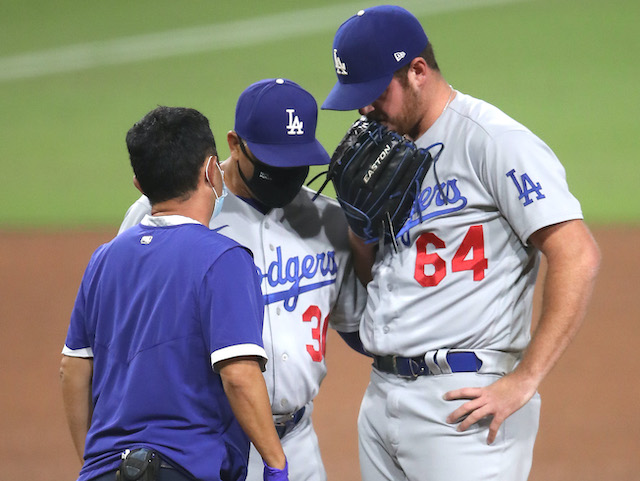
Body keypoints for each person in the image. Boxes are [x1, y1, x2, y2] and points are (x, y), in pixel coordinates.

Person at [322, 5, 601, 481]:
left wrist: (525, 380)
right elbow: (386, 284)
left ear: (417, 71)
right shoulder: (383, 149)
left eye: (374, 93)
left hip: (463, 406)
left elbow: (577, 254)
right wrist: (362, 234)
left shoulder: (492, 140)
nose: (364, 109)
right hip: (383, 396)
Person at [118, 79, 366, 481]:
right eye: (271, 164)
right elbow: (120, 328)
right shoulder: (169, 212)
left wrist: (368, 241)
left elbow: (359, 331)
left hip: (297, 442)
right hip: (206, 441)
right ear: (234, 144)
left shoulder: (329, 219)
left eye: (295, 162)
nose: (285, 176)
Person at [60, 106, 288, 481]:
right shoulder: (223, 259)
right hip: (187, 467)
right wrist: (276, 463)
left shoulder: (103, 259)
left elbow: (72, 368)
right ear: (212, 170)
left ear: (139, 183)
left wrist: (95, 464)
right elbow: (238, 374)